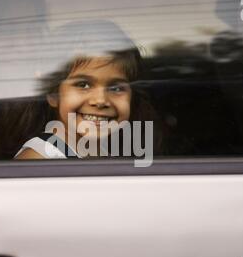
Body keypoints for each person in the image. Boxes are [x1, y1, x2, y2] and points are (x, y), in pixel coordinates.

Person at [13, 20, 162, 160]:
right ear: (53, 95)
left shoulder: (103, 154)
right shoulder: (40, 159)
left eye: (116, 88)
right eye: (83, 85)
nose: (100, 100)